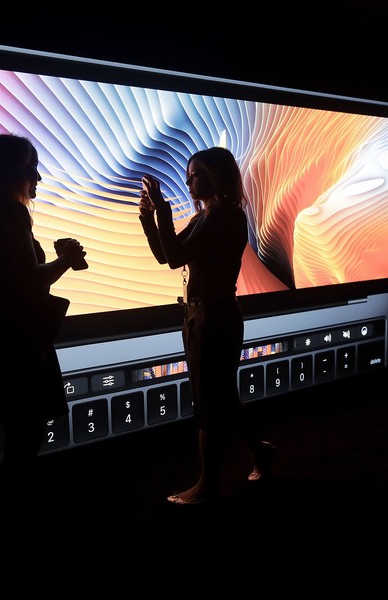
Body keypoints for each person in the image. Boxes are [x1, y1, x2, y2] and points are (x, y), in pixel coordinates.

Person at [0, 133, 86, 531]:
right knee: (24, 447)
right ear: (13, 170)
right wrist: (65, 259)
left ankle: (8, 530)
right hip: (20, 351)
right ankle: (15, 533)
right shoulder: (12, 215)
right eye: (32, 167)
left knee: (15, 447)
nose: (39, 178)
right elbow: (27, 285)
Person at [138, 146, 277, 505]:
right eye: (188, 175)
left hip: (214, 316)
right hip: (204, 315)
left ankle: (208, 485)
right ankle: (259, 453)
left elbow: (174, 259)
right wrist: (147, 218)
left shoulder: (226, 217)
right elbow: (165, 254)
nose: (188, 181)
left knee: (209, 400)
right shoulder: (207, 217)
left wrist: (163, 211)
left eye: (195, 174)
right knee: (223, 395)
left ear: (216, 176)